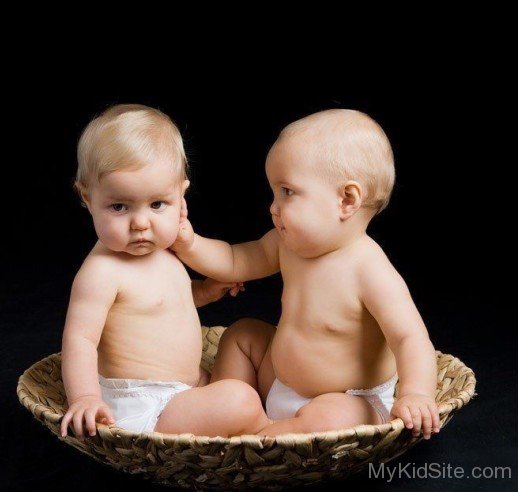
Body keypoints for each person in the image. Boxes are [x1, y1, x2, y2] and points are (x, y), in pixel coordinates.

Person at [171, 109, 440, 438]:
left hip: (344, 397)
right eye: (274, 193)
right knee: (243, 336)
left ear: (346, 200)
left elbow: (410, 338)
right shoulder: (288, 245)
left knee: (335, 418)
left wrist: (416, 393)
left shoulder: (370, 270)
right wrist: (189, 243)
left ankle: (259, 436)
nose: (273, 206)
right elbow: (235, 259)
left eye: (287, 191)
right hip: (279, 380)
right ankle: (223, 406)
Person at [60, 104, 270, 440]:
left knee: (246, 336)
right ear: (88, 198)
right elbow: (80, 340)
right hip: (147, 405)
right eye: (119, 206)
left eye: (158, 204)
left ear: (180, 194)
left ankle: (266, 409)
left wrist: (203, 291)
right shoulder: (101, 271)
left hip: (190, 388)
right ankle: (273, 433)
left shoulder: (164, 248)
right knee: (239, 398)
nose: (141, 223)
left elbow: (162, 304)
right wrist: (86, 398)